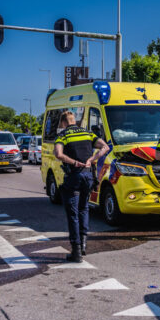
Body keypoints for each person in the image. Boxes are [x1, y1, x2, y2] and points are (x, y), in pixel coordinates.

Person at [54, 111, 109, 262]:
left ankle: (76, 251)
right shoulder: (87, 133)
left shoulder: (63, 135)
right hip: (88, 176)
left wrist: (73, 162)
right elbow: (105, 147)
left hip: (74, 176)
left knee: (73, 213)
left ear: (63, 122)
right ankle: (83, 244)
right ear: (75, 121)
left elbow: (58, 154)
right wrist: (92, 158)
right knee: (84, 208)